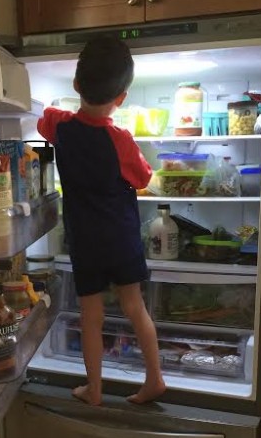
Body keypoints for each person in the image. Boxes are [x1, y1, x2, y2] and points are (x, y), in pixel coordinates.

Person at [37, 36, 165, 406]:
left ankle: (93, 389)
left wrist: (64, 113)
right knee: (133, 306)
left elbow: (45, 119)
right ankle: (154, 378)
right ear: (122, 97)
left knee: (90, 314)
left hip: (84, 237)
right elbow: (142, 179)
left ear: (76, 86)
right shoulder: (120, 139)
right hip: (121, 237)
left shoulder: (59, 126)